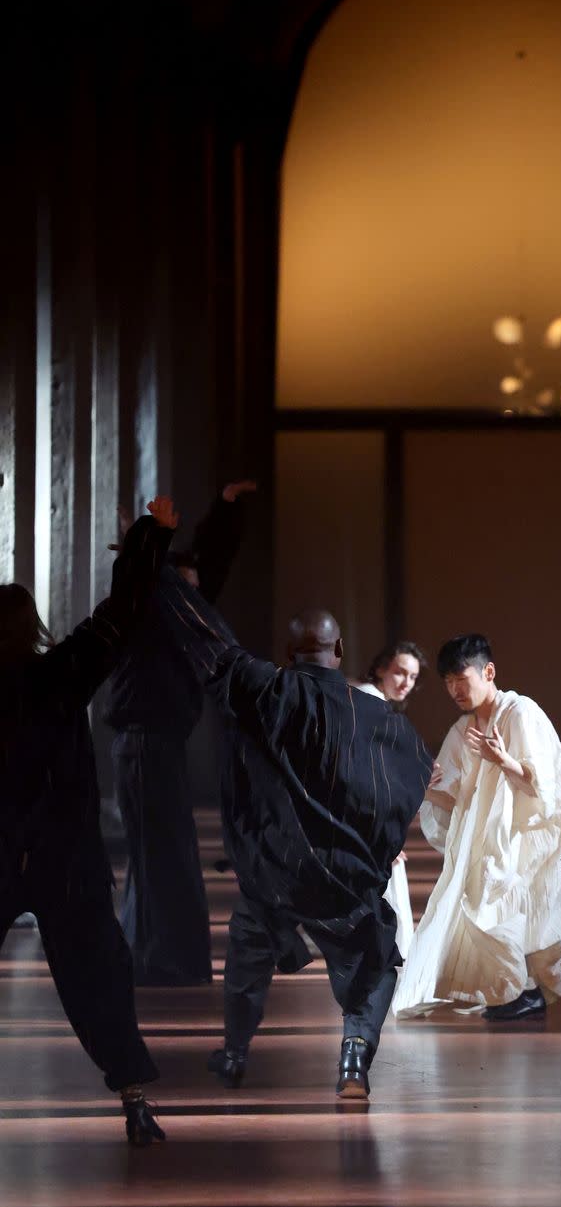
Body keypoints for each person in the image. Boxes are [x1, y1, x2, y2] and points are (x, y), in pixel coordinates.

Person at [155, 581, 433, 1099]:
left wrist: (153, 564)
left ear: (288, 653)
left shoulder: (263, 689)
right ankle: (353, 1062)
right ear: (341, 652)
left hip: (273, 868)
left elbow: (210, 641)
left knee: (247, 953)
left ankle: (235, 1053)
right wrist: (377, 845)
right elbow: (402, 783)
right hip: (341, 874)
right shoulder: (373, 719)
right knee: (375, 959)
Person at [0, 497, 177, 1145]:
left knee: (97, 972)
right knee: (97, 980)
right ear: (32, 627)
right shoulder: (61, 675)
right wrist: (149, 540)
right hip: (65, 858)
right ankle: (133, 1101)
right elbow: (120, 614)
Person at [105, 479, 256, 985]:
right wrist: (143, 542)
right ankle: (156, 959)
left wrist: (225, 510)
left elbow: (209, 568)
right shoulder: (148, 607)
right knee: (157, 854)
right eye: (183, 583)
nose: (196, 591)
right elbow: (149, 577)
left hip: (158, 742)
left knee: (165, 852)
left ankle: (161, 956)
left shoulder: (178, 612)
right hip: (142, 740)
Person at [392, 633, 561, 1022]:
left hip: (521, 838)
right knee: (482, 907)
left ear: (488, 671)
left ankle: (522, 991)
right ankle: (512, 991)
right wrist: (428, 787)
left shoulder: (520, 713)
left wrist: (504, 761)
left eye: (462, 678)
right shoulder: (462, 731)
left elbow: (544, 786)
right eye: (448, 682)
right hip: (487, 840)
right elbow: (461, 800)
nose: (456, 689)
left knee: (499, 907)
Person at [355, 641, 428, 958]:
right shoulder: (369, 703)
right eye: (399, 672)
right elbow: (365, 777)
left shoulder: (369, 701)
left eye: (412, 677)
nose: (405, 683)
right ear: (381, 668)